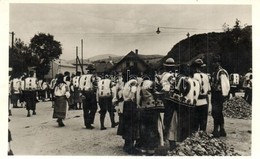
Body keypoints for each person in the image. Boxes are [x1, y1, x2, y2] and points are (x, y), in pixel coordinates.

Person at [117, 78, 139, 155]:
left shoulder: (125, 88)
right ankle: (130, 147)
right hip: (131, 106)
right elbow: (133, 98)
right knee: (132, 126)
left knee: (127, 126)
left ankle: (126, 145)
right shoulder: (133, 88)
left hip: (126, 107)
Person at [159, 58, 177, 151]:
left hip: (163, 99)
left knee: (165, 120)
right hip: (170, 100)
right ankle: (171, 142)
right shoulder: (171, 76)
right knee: (171, 121)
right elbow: (172, 87)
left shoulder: (162, 75)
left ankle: (165, 141)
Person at [211, 60, 230, 137]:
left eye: (214, 62)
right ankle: (221, 129)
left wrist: (224, 95)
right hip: (215, 94)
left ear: (218, 63)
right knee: (217, 112)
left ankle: (217, 130)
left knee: (216, 112)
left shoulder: (221, 72)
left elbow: (225, 84)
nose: (213, 64)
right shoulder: (216, 71)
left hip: (218, 95)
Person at [190, 59, 211, 132]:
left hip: (196, 101)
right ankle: (202, 137)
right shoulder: (206, 76)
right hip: (204, 101)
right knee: (203, 122)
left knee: (194, 124)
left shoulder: (193, 76)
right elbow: (208, 90)